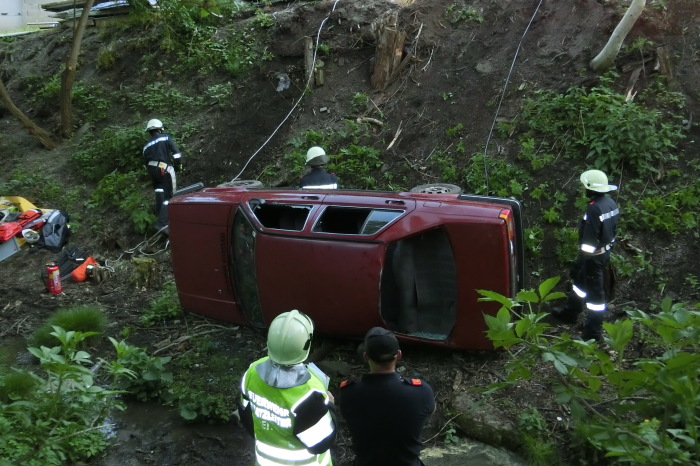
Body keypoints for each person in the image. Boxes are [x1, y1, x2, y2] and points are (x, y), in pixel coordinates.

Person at [239, 309, 337, 466]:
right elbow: (321, 443)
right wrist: (330, 405)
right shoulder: (310, 392)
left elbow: (246, 419)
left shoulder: (251, 372)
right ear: (305, 344)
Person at [339, 327, 435, 466]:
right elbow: (430, 411)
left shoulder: (349, 392)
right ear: (399, 355)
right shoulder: (421, 391)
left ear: (365, 356)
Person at [551, 169, 620, 341]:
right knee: (579, 284)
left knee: (596, 298)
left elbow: (589, 241)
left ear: (591, 188)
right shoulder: (609, 203)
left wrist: (583, 259)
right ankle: (570, 311)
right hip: (603, 253)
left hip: (593, 258)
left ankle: (593, 334)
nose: (583, 188)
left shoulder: (595, 209)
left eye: (585, 186)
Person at [142, 118, 183, 229]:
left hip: (152, 172)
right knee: (169, 196)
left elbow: (146, 162)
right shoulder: (165, 137)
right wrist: (178, 165)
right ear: (160, 129)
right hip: (163, 169)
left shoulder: (146, 146)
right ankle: (163, 223)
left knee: (159, 193)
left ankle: (160, 216)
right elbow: (176, 154)